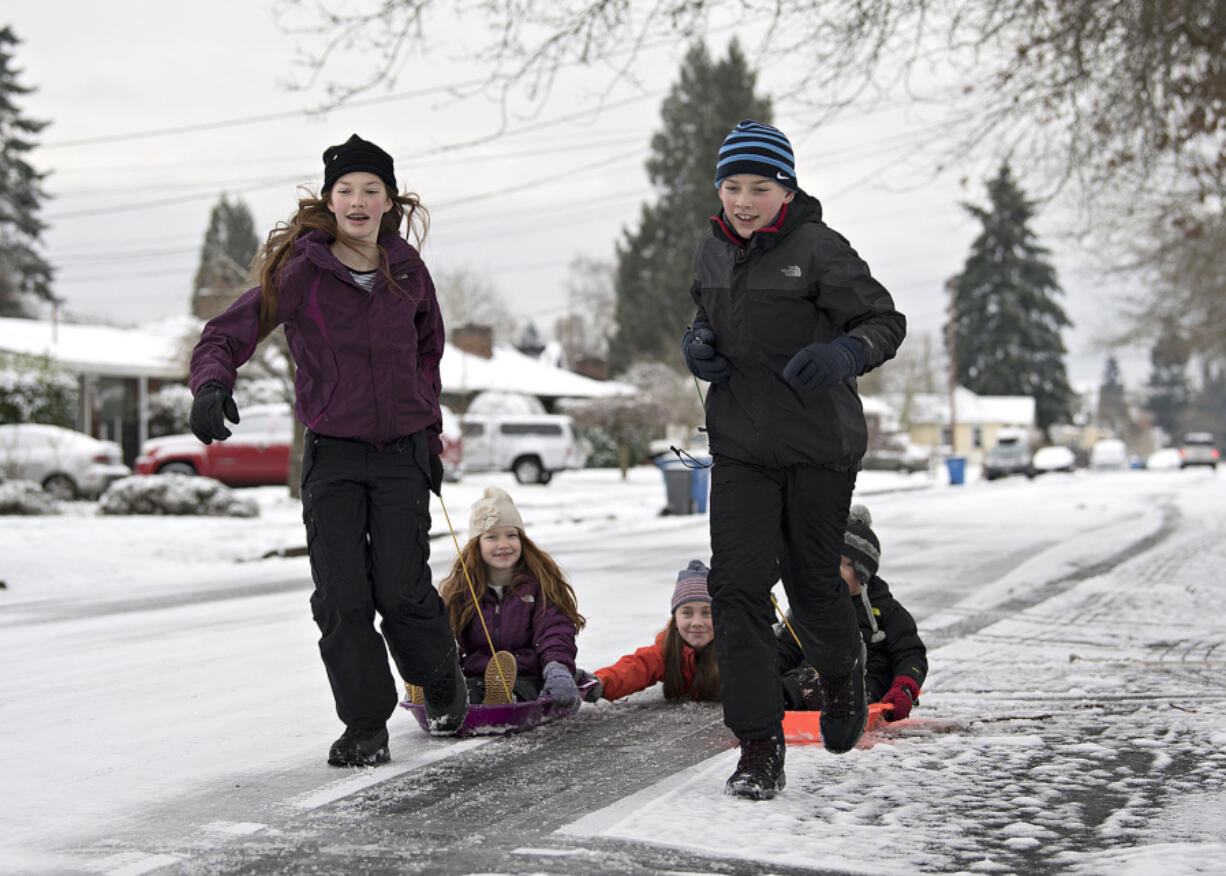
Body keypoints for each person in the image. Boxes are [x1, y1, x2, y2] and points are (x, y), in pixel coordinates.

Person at [187, 134, 467, 767]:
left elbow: (429, 360)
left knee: (402, 590)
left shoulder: (408, 274)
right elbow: (227, 332)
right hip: (334, 455)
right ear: (329, 200)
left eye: (372, 189)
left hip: (399, 454)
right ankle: (366, 725)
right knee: (341, 598)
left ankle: (439, 674)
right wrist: (210, 382)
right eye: (346, 190)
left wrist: (427, 436)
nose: (359, 200)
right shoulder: (301, 273)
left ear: (390, 200)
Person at [681, 120, 907, 799]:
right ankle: (758, 744)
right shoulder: (712, 251)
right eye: (732, 186)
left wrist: (845, 352)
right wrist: (697, 342)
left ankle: (841, 670)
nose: (744, 200)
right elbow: (704, 316)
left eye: (759, 186)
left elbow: (884, 322)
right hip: (742, 447)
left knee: (812, 587)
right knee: (737, 590)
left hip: (818, 449)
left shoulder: (819, 249)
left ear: (786, 188)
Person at [437, 487, 585, 708]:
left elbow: (553, 629)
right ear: (476, 544)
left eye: (511, 535)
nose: (504, 544)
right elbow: (446, 635)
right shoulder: (462, 589)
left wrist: (557, 668)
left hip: (527, 673)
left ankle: (505, 699)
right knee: (468, 693)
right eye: (492, 537)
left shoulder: (539, 584)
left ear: (522, 540)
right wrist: (442, 669)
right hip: (475, 674)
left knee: (522, 689)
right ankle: (438, 698)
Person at [777, 505, 927, 720]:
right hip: (809, 679)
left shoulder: (886, 611)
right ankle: (775, 700)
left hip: (866, 685)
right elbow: (786, 648)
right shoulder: (812, 607)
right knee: (797, 680)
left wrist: (904, 687)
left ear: (863, 571)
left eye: (846, 564)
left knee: (833, 685)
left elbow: (910, 654)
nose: (836, 570)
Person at [582, 560, 720, 703]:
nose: (696, 622)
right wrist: (600, 682)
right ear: (675, 620)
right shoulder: (667, 651)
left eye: (706, 613)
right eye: (687, 613)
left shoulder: (734, 649)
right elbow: (635, 669)